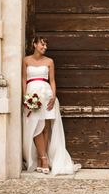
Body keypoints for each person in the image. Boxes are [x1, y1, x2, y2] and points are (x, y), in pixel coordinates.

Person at [22, 36, 80, 175]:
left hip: (46, 94)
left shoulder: (49, 61)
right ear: (34, 44)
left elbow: (52, 80)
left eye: (46, 45)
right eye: (42, 44)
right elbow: (24, 79)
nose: (44, 47)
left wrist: (53, 96)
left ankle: (44, 159)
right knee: (35, 127)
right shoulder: (26, 60)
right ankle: (42, 158)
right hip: (32, 95)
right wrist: (26, 97)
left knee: (46, 127)